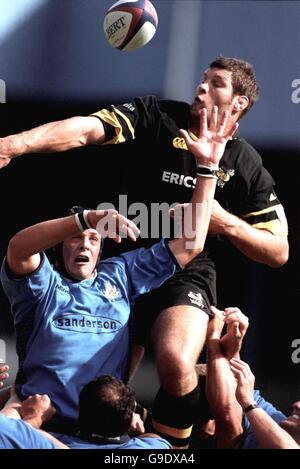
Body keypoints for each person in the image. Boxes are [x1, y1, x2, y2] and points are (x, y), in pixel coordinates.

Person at [0, 56, 289, 446]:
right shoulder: (156, 115)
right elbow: (88, 129)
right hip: (121, 265)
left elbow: (278, 251)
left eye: (216, 83)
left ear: (239, 102)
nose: (201, 87)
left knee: (174, 360)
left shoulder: (246, 163)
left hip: (183, 268)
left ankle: (169, 450)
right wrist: (14, 145)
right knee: (108, 386)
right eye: (202, 79)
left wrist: (225, 222)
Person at [0, 107, 230, 437]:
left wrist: (207, 170)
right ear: (59, 247)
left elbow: (189, 246)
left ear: (101, 249)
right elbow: (19, 248)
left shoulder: (119, 275)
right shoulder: (43, 285)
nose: (84, 244)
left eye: (93, 240)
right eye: (74, 239)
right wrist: (87, 220)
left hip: (105, 435)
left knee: (159, 451)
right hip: (42, 428)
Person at [205, 306, 297, 449]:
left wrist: (213, 335)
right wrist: (234, 342)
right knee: (205, 374)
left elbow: (228, 414)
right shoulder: (277, 420)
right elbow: (232, 387)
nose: (296, 405)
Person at [0, 375, 172, 449]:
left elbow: (13, 433)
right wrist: (135, 432)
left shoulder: (47, 442)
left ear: (80, 412)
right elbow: (157, 440)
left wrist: (34, 417)